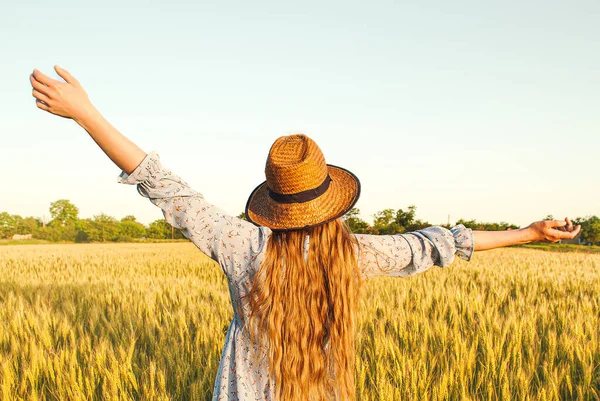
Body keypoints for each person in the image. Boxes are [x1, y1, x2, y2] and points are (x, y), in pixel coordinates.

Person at [30, 66, 581, 401]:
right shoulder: (356, 254)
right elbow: (439, 243)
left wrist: (86, 114)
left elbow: (164, 188)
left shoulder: (241, 245)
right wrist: (529, 232)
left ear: (272, 204)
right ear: (331, 202)